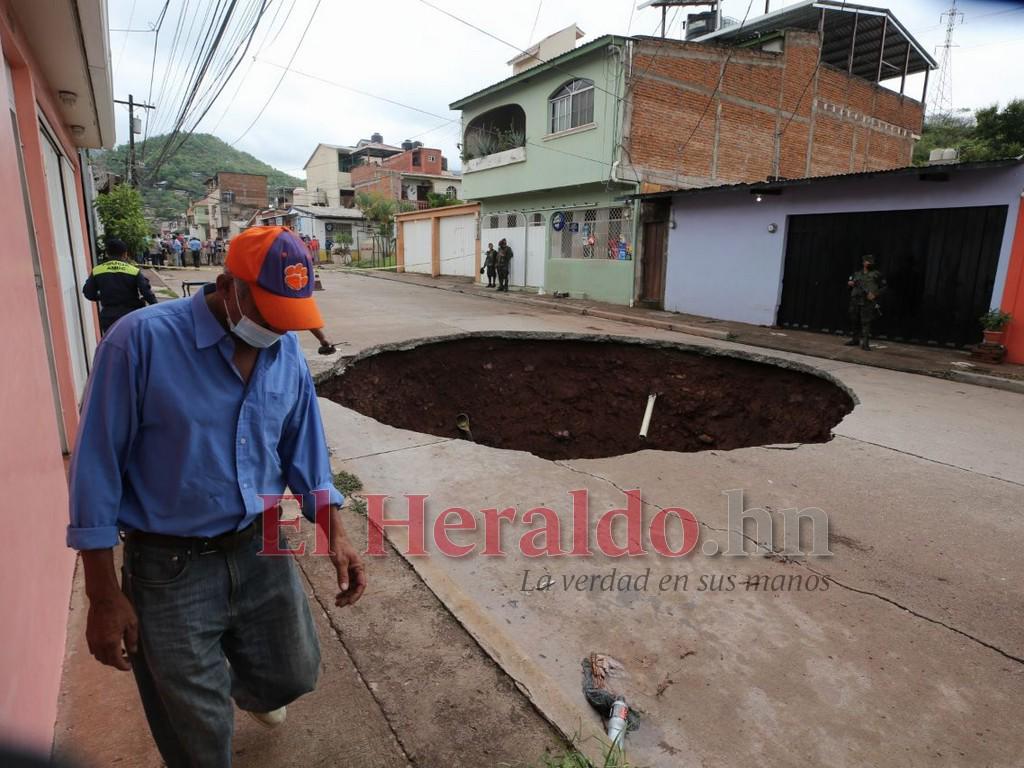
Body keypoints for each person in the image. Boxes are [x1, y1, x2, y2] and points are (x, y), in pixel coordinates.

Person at [67, 226, 365, 767]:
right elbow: (96, 467)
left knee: (294, 673)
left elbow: (305, 449)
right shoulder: (139, 342)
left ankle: (227, 682)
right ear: (228, 286)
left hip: (258, 549)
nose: (278, 327)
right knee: (199, 737)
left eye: (289, 314)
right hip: (169, 565)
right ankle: (200, 688)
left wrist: (336, 533)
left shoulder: (286, 352)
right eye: (269, 310)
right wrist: (103, 594)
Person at [82, 238, 159, 335]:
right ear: (125, 254)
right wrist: (157, 309)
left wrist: (104, 297)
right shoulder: (133, 271)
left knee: (113, 346)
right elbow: (147, 294)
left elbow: (88, 293)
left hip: (109, 317)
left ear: (107, 254)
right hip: (131, 315)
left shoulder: (97, 270)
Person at [845, 254, 887, 351]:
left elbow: (884, 287)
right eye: (868, 261)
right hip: (855, 299)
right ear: (864, 262)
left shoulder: (877, 274)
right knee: (854, 319)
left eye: (871, 261)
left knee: (866, 322)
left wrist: (875, 294)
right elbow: (849, 286)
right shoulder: (857, 274)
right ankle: (855, 339)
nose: (870, 263)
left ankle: (865, 343)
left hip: (867, 301)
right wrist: (850, 284)